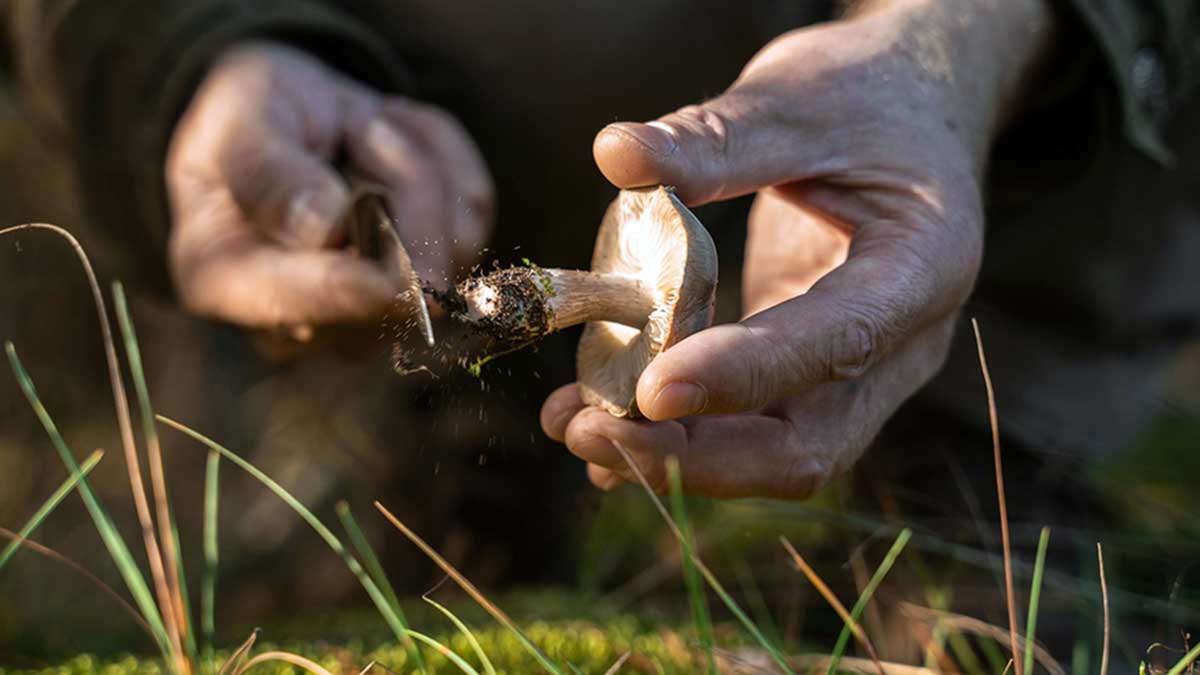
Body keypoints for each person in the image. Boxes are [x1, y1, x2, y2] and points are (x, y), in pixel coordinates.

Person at [3, 0, 1199, 604]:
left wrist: (957, 40)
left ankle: (981, 471)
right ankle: (454, 458)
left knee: (978, 548)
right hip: (453, 114)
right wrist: (198, 47)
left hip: (1024, 179)